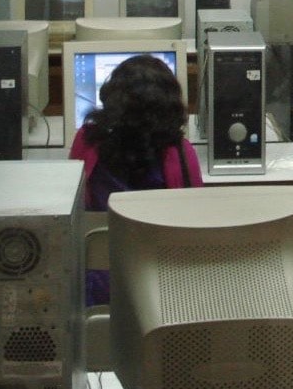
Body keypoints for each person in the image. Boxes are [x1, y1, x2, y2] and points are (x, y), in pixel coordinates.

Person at [68, 54, 203, 305]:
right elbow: (196, 223)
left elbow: (75, 208)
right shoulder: (182, 153)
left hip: (99, 286)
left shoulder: (86, 141)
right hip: (164, 287)